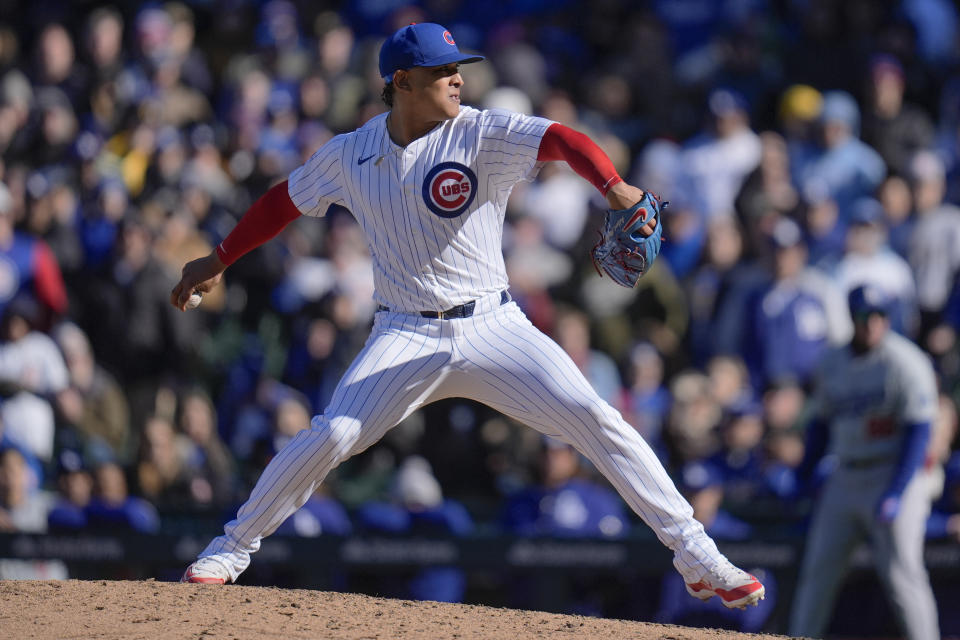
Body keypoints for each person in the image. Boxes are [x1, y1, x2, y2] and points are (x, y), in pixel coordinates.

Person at [171, 22, 764, 609]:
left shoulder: (481, 134)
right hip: (403, 330)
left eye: (459, 68)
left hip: (493, 327)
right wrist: (219, 257)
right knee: (332, 434)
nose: (458, 80)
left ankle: (697, 555)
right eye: (442, 71)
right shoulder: (352, 154)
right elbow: (282, 202)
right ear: (401, 81)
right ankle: (230, 549)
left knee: (593, 414)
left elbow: (561, 138)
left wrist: (613, 185)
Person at [788, 285, 940, 640]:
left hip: (895, 472)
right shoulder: (832, 362)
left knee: (904, 577)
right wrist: (804, 474)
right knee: (817, 574)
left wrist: (898, 491)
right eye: (863, 316)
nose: (871, 323)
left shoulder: (906, 361)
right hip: (846, 476)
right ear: (851, 318)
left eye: (879, 316)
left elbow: (919, 432)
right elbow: (821, 427)